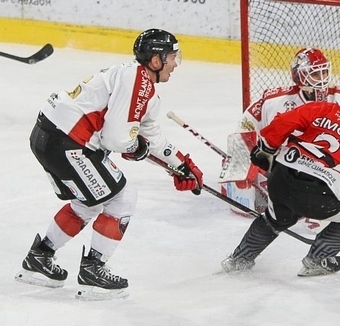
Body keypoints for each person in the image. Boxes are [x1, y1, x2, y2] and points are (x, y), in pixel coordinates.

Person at [14, 28, 203, 299]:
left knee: (90, 200)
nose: (175, 64)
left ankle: (40, 258)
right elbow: (117, 139)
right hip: (69, 142)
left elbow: (149, 138)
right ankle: (93, 271)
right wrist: (135, 148)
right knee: (123, 198)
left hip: (48, 136)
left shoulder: (135, 81)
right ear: (156, 60)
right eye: (172, 57)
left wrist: (181, 164)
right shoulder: (138, 81)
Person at [221, 47, 340, 229]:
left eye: (324, 72)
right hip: (284, 167)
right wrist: (245, 164)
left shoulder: (338, 98)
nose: (322, 78)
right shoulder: (273, 100)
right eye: (315, 74)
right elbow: (245, 130)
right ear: (298, 75)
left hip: (319, 173)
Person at [221, 82, 340, 276]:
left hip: (281, 178)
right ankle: (318, 258)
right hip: (318, 195)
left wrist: (267, 149)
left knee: (275, 219)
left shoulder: (325, 108)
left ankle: (239, 259)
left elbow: (284, 122)